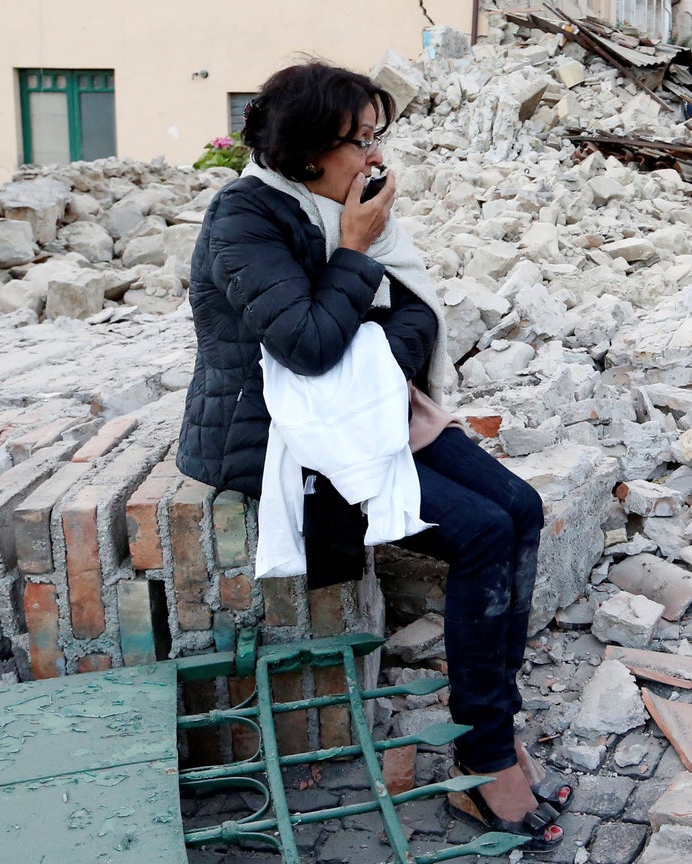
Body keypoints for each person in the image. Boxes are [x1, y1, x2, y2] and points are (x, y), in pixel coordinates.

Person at [175, 60, 570, 853]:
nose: (373, 161)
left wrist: (369, 324)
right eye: (358, 142)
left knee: (520, 507)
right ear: (306, 151)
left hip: (368, 414)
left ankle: (490, 720)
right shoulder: (245, 222)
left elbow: (416, 315)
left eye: (374, 139)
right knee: (482, 532)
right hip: (278, 441)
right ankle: (485, 754)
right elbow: (315, 347)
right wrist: (356, 256)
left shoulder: (338, 207)